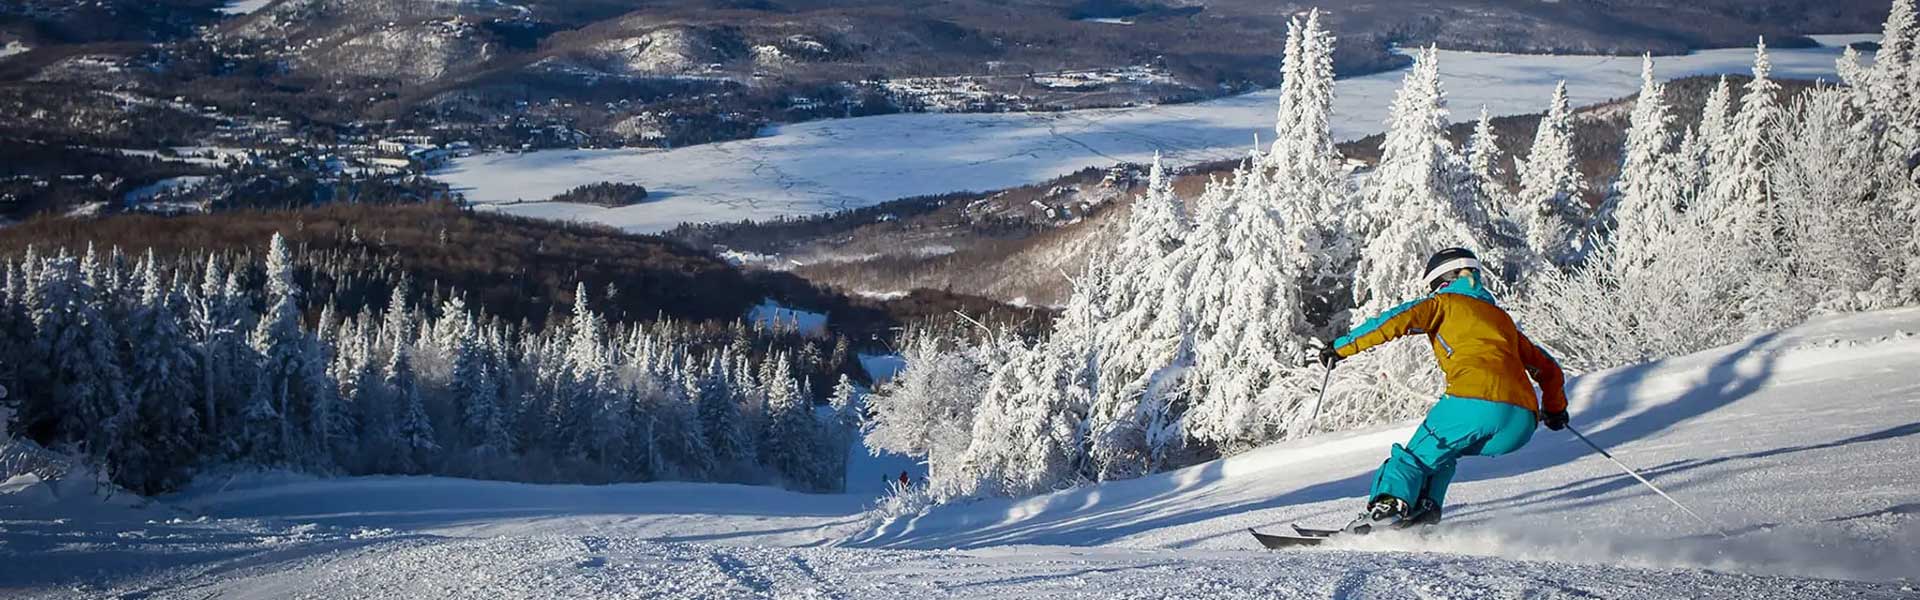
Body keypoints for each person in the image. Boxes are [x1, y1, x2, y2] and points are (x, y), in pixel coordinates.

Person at [1318, 248, 1569, 534]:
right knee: (1442, 453)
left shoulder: (1443, 303)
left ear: (1442, 281)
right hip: (1521, 422)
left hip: (1475, 402)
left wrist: (1340, 348)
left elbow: (1392, 323)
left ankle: (1386, 510)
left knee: (1411, 457)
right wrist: (1555, 409)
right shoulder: (1501, 320)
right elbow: (1548, 368)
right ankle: (1423, 512)